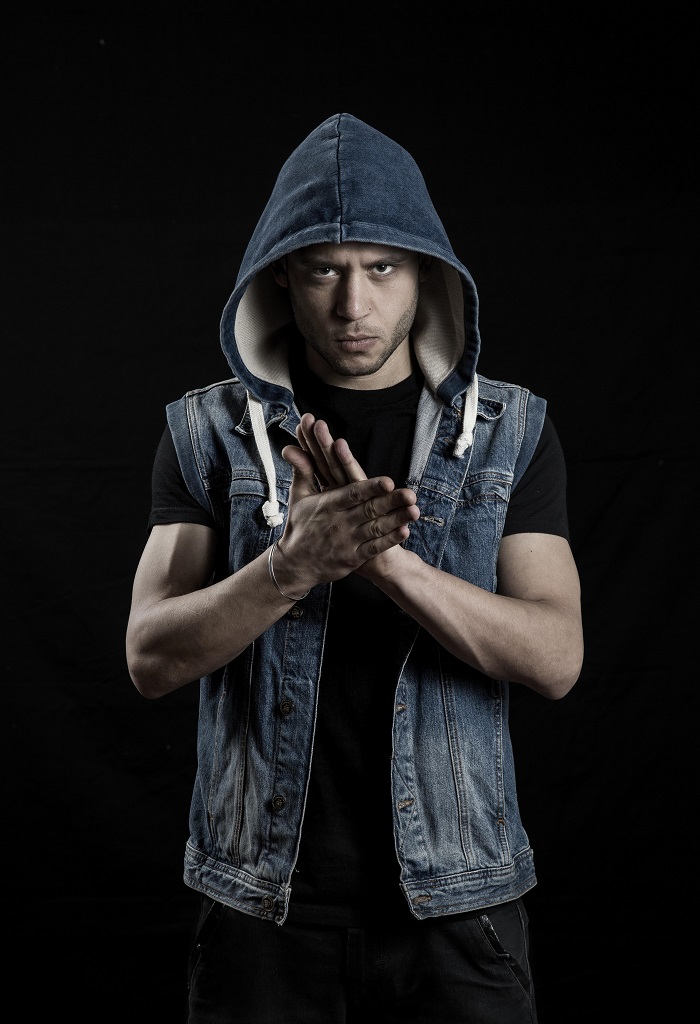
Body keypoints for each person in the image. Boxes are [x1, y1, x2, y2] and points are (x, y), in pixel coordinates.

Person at [126, 112, 583, 1024]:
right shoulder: (207, 434)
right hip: (262, 912)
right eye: (323, 271)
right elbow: (150, 656)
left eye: (381, 268)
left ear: (427, 273)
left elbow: (556, 658)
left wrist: (385, 563)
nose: (352, 306)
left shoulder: (511, 433)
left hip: (458, 913)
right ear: (279, 277)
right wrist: (292, 567)